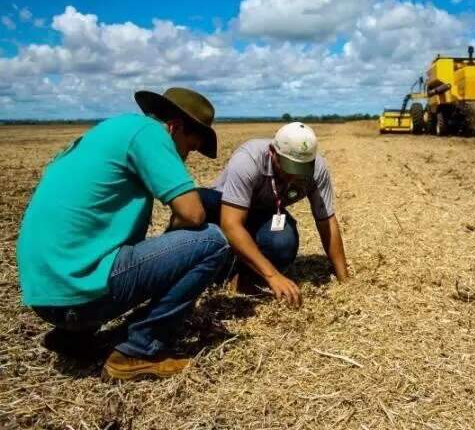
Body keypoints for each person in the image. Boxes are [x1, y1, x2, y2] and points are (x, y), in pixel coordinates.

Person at [17, 87, 230, 380]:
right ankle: (138, 351)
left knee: (115, 250)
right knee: (211, 241)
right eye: (189, 148)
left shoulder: (112, 130)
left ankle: (73, 337)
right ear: (176, 127)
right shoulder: (150, 134)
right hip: (76, 296)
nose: (184, 159)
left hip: (44, 294)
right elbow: (193, 213)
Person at [198, 122, 349, 308]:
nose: (294, 176)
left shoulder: (317, 169)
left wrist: (345, 281)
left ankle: (244, 276)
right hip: (224, 207)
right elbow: (231, 224)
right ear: (272, 152)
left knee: (283, 242)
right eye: (288, 166)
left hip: (263, 212)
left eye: (301, 169)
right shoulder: (248, 159)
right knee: (199, 203)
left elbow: (327, 222)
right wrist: (273, 276)